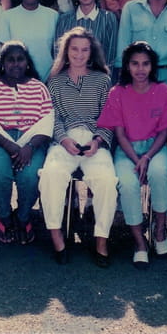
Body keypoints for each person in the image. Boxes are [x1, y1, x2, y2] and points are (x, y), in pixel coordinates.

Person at [38, 28, 118, 267]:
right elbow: (52, 116)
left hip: (94, 141)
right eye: (74, 49)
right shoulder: (55, 80)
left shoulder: (103, 80)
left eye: (84, 50)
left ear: (91, 52)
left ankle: (101, 241)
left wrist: (98, 141)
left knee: (106, 180)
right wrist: (64, 139)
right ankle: (57, 239)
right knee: (51, 175)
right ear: (66, 51)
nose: (79, 54)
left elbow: (108, 117)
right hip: (64, 140)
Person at [98, 41, 167, 270]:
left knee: (159, 172)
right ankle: (139, 242)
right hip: (127, 150)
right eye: (135, 63)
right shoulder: (117, 92)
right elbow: (119, 134)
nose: (140, 69)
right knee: (127, 182)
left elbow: (165, 131)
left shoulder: (163, 90)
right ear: (127, 66)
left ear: (153, 66)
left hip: (156, 148)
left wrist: (147, 158)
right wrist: (137, 160)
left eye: (145, 64)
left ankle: (160, 231)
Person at [0, 41, 53, 245]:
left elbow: (47, 122)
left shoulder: (39, 88)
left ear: (27, 62)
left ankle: (23, 217)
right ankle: (5, 216)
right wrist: (8, 145)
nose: (16, 64)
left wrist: (30, 147)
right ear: (2, 63)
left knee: (31, 175)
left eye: (20, 59)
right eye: (10, 60)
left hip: (31, 141)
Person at [0, 0, 59, 82]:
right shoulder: (7, 17)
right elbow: (3, 54)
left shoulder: (53, 16)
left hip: (48, 80)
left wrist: (50, 79)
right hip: (17, 80)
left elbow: (57, 53)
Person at [54, 0, 118, 69]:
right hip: (69, 76)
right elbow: (58, 54)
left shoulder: (108, 18)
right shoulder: (64, 19)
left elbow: (111, 55)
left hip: (99, 76)